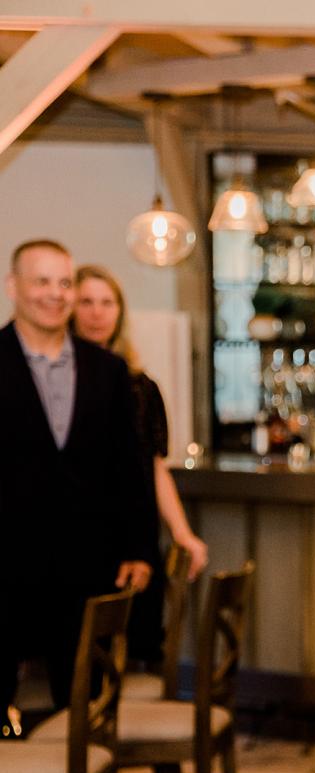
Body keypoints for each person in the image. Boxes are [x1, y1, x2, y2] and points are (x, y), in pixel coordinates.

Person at [0, 239, 151, 724]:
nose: (55, 294)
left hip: (90, 564)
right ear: (14, 287)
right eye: (42, 281)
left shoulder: (106, 370)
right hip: (8, 567)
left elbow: (130, 465)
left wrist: (139, 548)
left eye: (64, 282)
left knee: (88, 705)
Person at [71, 264, 208, 665]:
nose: (97, 313)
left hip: (133, 530)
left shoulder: (139, 385)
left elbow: (153, 466)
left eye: (107, 302)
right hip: (80, 531)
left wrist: (183, 534)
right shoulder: (57, 382)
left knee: (135, 645)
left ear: (119, 311)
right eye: (87, 302)